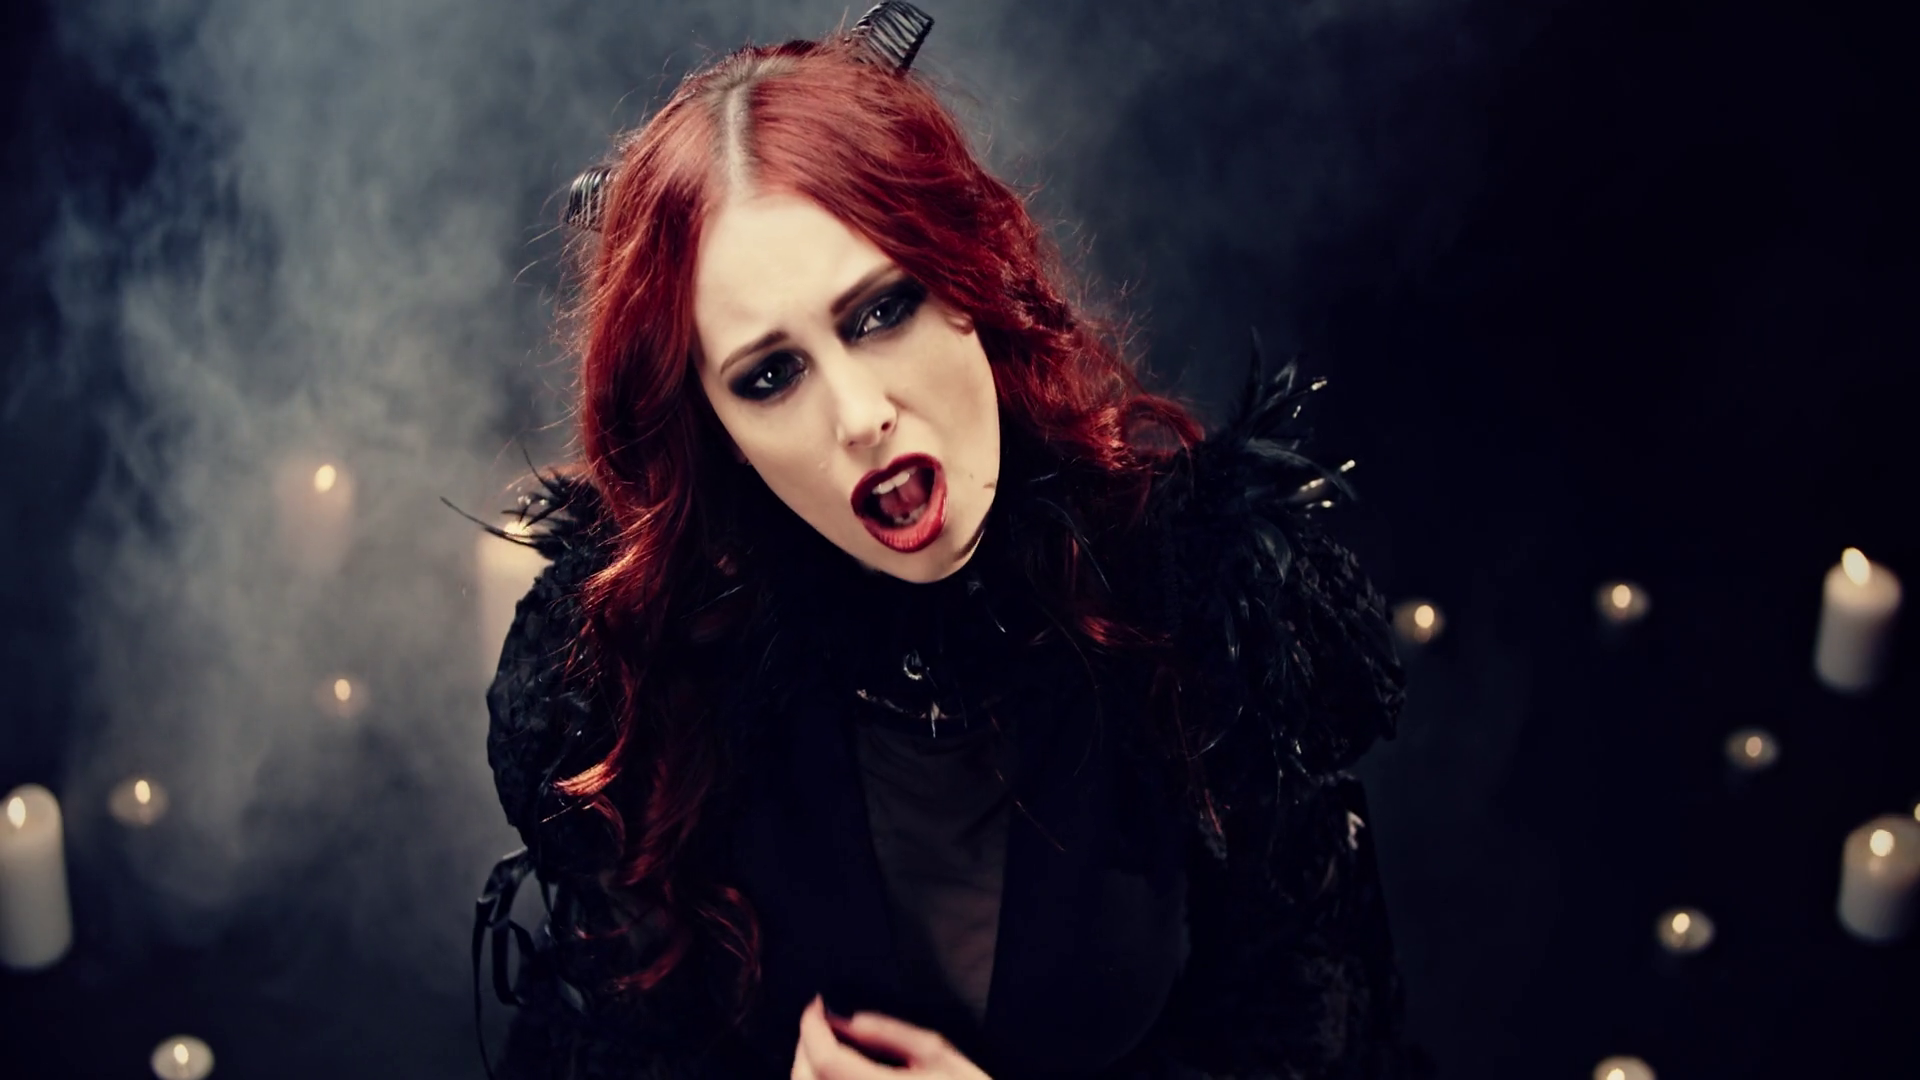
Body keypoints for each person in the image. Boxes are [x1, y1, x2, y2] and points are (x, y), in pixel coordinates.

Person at [474, 4, 1428, 1078]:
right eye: (770, 375)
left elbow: (1334, 1050)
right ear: (719, 430)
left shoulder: (1213, 607)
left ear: (970, 277)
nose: (858, 415)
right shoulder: (637, 682)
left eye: (883, 311)